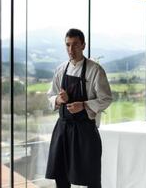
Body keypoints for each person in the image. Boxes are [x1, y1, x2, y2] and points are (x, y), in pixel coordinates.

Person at [45, 28, 112, 188]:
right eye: (68, 45)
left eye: (75, 45)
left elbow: (106, 98)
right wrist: (58, 99)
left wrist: (83, 105)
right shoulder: (61, 70)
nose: (70, 49)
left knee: (91, 177)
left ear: (83, 45)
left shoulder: (95, 70)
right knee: (61, 175)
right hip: (62, 129)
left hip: (85, 131)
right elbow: (50, 97)